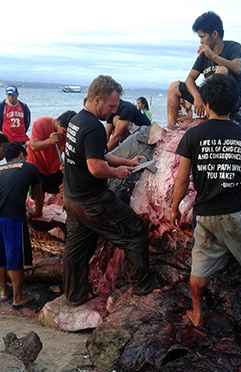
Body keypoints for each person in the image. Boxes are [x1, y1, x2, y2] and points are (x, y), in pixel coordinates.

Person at [63, 75, 158, 307]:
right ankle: (143, 286)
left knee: (75, 250)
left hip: (72, 197)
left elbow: (100, 155)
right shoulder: (94, 127)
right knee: (134, 231)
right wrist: (118, 173)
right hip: (92, 199)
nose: (114, 112)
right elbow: (96, 168)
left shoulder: (77, 121)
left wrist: (128, 162)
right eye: (111, 106)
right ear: (97, 99)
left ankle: (74, 297)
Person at [170, 74, 241, 327]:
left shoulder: (193, 136)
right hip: (238, 211)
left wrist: (174, 208)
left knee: (199, 268)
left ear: (205, 102)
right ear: (234, 103)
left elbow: (182, 180)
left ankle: (197, 314)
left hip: (205, 214)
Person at [167, 11, 241, 126]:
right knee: (174, 86)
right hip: (210, 98)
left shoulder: (233, 47)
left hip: (231, 99)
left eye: (203, 37)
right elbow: (190, 78)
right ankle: (170, 128)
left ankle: (215, 120)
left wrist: (213, 56)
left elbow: (238, 67)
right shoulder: (204, 55)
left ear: (214, 34)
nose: (201, 41)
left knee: (221, 70)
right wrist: (197, 97)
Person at [0, 142, 43, 310]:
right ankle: (18, 298)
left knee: (1, 257)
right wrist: (37, 211)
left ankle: (4, 292)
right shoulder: (30, 167)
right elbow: (38, 196)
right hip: (11, 219)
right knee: (14, 258)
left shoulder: (0, 169)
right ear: (21, 155)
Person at [27, 110, 76, 197]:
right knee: (36, 199)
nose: (65, 136)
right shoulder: (41, 123)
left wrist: (66, 166)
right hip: (37, 167)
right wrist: (49, 141)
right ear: (59, 123)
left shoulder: (66, 135)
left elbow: (69, 154)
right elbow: (33, 146)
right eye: (64, 132)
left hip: (54, 168)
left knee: (57, 195)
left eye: (67, 134)